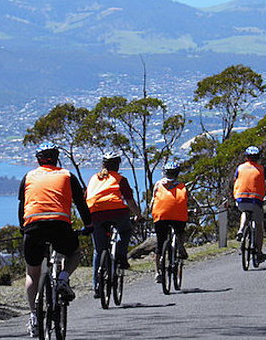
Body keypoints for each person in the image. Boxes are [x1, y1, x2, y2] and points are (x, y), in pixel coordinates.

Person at [19, 142, 92, 338]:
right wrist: (89, 226)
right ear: (56, 157)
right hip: (60, 225)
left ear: (38, 160)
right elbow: (81, 204)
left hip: (33, 227)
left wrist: (23, 228)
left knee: (32, 273)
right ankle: (62, 279)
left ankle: (34, 316)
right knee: (74, 254)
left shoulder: (28, 177)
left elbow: (22, 207)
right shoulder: (67, 175)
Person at [86, 151, 143, 297]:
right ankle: (121, 256)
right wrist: (138, 215)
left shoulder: (93, 178)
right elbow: (130, 201)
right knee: (125, 230)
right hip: (117, 212)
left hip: (95, 214)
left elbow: (85, 197)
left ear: (103, 165)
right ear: (117, 165)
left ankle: (97, 286)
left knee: (99, 250)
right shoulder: (120, 179)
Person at [233, 146, 266, 263]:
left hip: (241, 199)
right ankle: (258, 252)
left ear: (246, 157)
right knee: (259, 226)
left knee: (244, 212)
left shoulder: (240, 168)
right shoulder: (262, 169)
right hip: (256, 200)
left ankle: (241, 229)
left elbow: (236, 181)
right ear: (258, 158)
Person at [150, 161, 189, 283]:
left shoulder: (158, 184)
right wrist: (195, 209)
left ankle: (157, 272)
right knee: (180, 232)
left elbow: (152, 202)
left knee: (160, 245)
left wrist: (150, 212)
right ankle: (181, 246)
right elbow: (189, 200)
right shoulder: (182, 185)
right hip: (179, 216)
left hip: (160, 216)